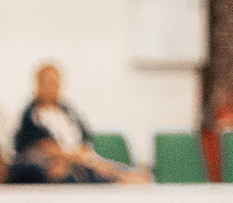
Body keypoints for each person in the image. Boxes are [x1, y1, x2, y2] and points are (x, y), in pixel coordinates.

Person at [11, 63, 140, 180]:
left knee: (98, 167)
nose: (52, 87)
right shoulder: (32, 113)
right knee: (69, 170)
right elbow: (38, 145)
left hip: (79, 157)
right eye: (48, 82)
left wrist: (82, 155)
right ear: (38, 84)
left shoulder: (68, 111)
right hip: (55, 159)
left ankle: (121, 175)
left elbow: (85, 140)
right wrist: (72, 156)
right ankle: (118, 176)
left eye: (56, 83)